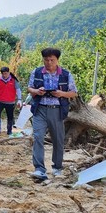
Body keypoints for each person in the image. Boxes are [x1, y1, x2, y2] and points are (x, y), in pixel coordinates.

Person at [27, 47, 78, 180]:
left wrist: (61, 93)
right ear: (43, 60)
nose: (49, 62)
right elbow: (29, 88)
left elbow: (73, 93)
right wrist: (37, 91)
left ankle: (57, 168)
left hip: (57, 109)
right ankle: (39, 169)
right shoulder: (37, 72)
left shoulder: (66, 74)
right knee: (38, 137)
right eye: (46, 60)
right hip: (40, 109)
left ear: (57, 60)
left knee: (58, 139)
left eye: (52, 60)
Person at [0, 66, 22, 135]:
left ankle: (9, 130)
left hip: (10, 102)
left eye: (6, 73)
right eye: (3, 74)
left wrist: (19, 99)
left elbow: (18, 90)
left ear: (9, 73)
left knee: (10, 116)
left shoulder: (14, 80)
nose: (4, 75)